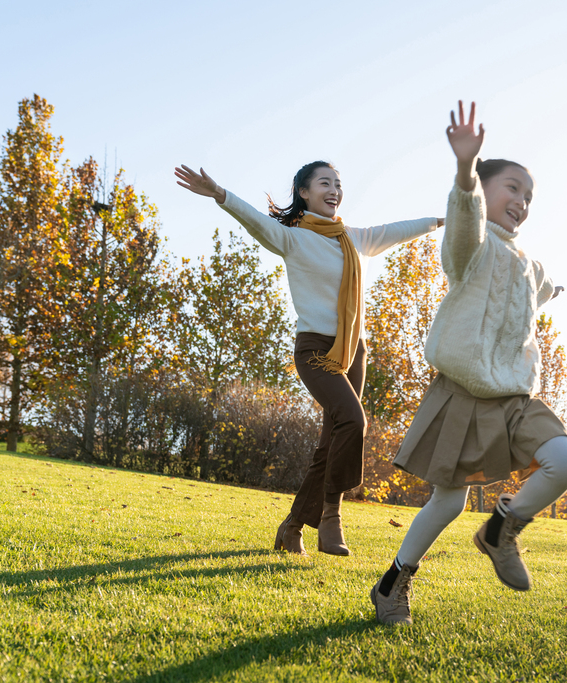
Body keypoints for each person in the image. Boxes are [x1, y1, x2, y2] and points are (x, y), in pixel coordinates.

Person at [370, 102, 567, 625]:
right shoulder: (473, 246)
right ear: (487, 192)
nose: (522, 202)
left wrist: (552, 291)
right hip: (464, 393)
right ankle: (393, 583)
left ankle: (500, 530)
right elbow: (465, 220)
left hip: (515, 398)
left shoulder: (528, 263)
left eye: (528, 196)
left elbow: (533, 294)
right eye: (512, 188)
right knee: (447, 502)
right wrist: (466, 168)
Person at [175, 161, 441, 557]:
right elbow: (253, 221)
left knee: (330, 443)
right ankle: (331, 516)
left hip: (354, 351)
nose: (334, 190)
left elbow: (399, 229)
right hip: (316, 350)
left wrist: (443, 219)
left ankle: (293, 526)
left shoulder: (355, 238)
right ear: (304, 192)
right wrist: (220, 194)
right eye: (324, 183)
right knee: (353, 420)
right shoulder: (292, 238)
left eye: (338, 184)